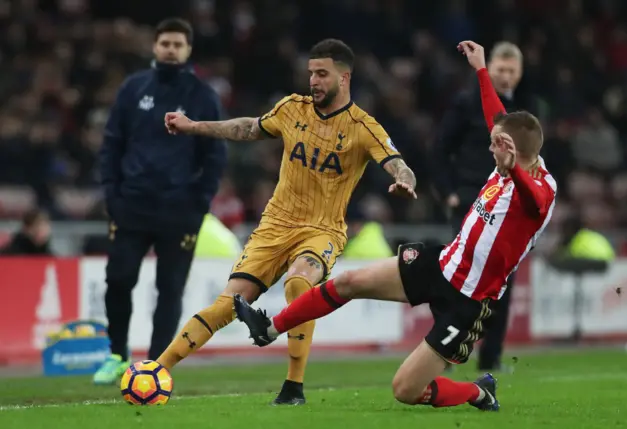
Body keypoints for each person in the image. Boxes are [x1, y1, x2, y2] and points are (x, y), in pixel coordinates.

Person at [233, 40, 557, 412]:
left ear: (515, 151)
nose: (489, 150)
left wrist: (511, 166)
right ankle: (268, 328)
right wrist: (481, 70)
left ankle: (478, 392)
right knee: (349, 282)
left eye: (496, 146)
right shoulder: (511, 150)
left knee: (405, 390)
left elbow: (533, 199)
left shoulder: (541, 188)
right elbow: (496, 114)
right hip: (442, 265)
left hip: (468, 301)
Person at [158, 38, 417, 405]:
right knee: (225, 306)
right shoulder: (292, 109)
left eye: (322, 74)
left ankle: (293, 387)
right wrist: (194, 126)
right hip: (274, 226)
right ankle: (157, 369)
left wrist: (405, 180)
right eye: (311, 73)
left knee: (299, 281)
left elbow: (396, 162)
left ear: (344, 78)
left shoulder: (363, 126)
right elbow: (248, 128)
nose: (313, 81)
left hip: (322, 230)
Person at [94, 18, 227, 384]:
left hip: (178, 210)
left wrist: (198, 203)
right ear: (155, 46)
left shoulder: (203, 96)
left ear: (188, 50)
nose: (171, 49)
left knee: (169, 290)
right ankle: (118, 355)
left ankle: (155, 365)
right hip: (131, 205)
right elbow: (111, 144)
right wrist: (112, 194)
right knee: (118, 280)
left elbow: (214, 155)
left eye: (177, 44)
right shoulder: (133, 88)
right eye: (165, 43)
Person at [431, 41, 538, 371]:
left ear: (519, 73)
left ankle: (490, 358)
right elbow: (438, 148)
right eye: (500, 69)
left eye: (511, 70)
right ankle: (443, 352)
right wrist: (448, 191)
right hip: (470, 202)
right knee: (455, 277)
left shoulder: (526, 109)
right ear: (490, 68)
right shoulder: (467, 102)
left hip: (509, 209)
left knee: (503, 282)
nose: (505, 76)